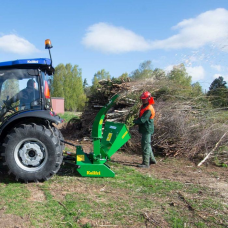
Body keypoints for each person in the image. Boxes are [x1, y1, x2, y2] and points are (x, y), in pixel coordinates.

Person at [133, 91, 156, 168]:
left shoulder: (149, 109)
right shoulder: (144, 106)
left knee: (145, 145)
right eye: (142, 99)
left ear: (148, 98)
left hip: (147, 128)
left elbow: (142, 120)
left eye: (144, 99)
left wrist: (133, 122)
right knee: (147, 144)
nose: (143, 100)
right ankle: (152, 160)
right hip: (144, 128)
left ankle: (146, 163)